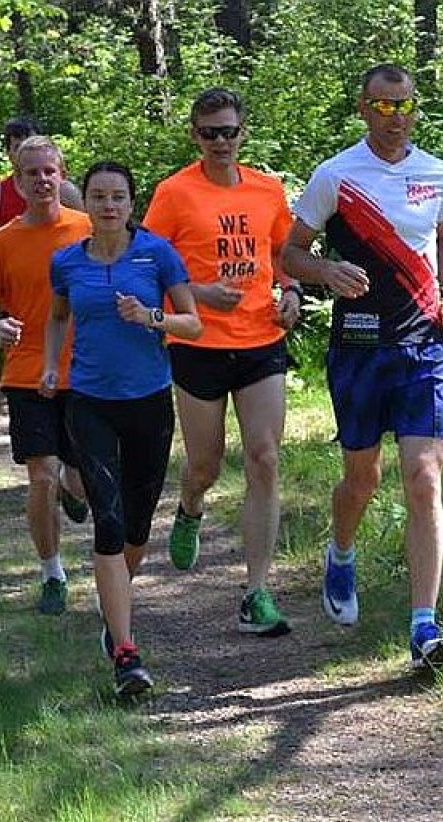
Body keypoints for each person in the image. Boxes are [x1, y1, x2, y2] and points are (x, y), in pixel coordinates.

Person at [281, 64, 443, 672]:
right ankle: (341, 552)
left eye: (405, 105)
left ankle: (424, 627)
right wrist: (325, 271)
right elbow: (289, 253)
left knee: (425, 478)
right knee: (362, 480)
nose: (395, 118)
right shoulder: (336, 176)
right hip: (360, 349)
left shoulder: (436, 174)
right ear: (364, 109)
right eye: (384, 106)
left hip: (424, 346)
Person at [144, 87, 301, 639]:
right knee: (205, 466)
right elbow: (148, 263)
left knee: (265, 458)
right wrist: (199, 294)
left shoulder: (267, 189)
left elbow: (283, 253)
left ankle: (256, 592)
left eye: (229, 132)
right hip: (198, 343)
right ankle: (190, 504)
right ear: (195, 135)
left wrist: (291, 291)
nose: (220, 142)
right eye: (210, 133)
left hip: (260, 338)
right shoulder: (174, 193)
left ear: (242, 134)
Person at [43, 160, 201, 696]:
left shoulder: (158, 254)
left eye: (118, 197)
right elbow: (58, 316)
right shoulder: (66, 261)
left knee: (136, 527)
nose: (108, 205)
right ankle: (126, 653)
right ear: (84, 202)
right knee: (108, 523)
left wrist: (151, 317)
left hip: (148, 403)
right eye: (98, 196)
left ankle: (116, 606)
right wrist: (50, 364)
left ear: (132, 204)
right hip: (90, 402)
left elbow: (193, 323)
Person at [0, 136, 93, 617]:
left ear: (62, 175)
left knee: (81, 479)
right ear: (18, 183)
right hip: (27, 373)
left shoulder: (88, 229)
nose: (41, 180)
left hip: (86, 373)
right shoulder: (2, 242)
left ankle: (72, 486)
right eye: (31, 173)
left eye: (49, 171)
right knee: (40, 476)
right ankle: (52, 574)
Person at [0, 115, 84, 238]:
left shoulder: (66, 191)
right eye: (18, 147)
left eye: (31, 145)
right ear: (8, 153)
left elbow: (89, 232)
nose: (27, 153)